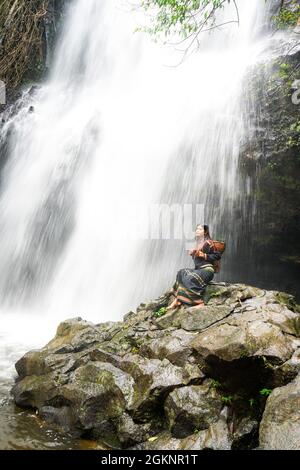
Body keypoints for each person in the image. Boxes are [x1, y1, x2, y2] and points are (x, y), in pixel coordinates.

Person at [167, 224, 221, 310]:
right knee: (181, 273)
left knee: (189, 279)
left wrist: (203, 255)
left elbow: (217, 255)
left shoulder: (208, 243)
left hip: (207, 271)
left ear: (205, 232)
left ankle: (199, 302)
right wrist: (193, 252)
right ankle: (178, 300)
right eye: (196, 229)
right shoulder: (195, 244)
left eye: (200, 229)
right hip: (198, 270)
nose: (197, 231)